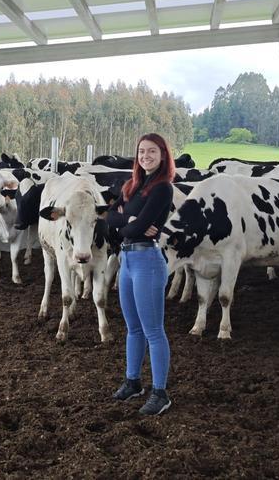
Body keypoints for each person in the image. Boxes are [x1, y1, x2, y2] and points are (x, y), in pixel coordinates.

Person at [105, 133, 175, 416]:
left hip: (148, 259)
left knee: (153, 331)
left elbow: (136, 226)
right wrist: (128, 221)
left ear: (163, 155)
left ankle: (160, 392)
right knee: (133, 328)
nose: (146, 156)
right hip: (127, 260)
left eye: (152, 152)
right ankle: (133, 381)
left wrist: (129, 222)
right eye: (142, 152)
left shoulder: (163, 188)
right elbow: (110, 218)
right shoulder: (132, 186)